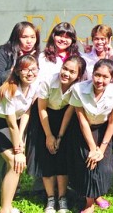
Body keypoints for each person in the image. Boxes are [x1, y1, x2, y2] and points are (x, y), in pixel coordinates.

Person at [68, 59, 113, 213]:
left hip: (105, 130)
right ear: (92, 74)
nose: (100, 80)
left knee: (104, 167)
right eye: (97, 75)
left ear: (112, 78)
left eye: (105, 77)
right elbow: (82, 121)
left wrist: (101, 149)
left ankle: (98, 195)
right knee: (89, 163)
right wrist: (93, 149)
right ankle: (89, 202)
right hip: (84, 129)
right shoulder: (79, 89)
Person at [35, 55, 86, 213]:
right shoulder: (48, 81)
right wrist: (49, 135)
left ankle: (62, 198)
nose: (66, 73)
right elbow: (42, 109)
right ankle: (51, 199)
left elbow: (69, 112)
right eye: (65, 68)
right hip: (44, 119)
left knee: (62, 158)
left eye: (72, 71)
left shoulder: (78, 87)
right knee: (47, 158)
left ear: (78, 75)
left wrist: (60, 136)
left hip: (65, 120)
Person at [0, 21, 40, 196]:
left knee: (15, 157)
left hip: (21, 112)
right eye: (24, 36)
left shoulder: (37, 55)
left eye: (32, 37)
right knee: (4, 157)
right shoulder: (3, 52)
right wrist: (17, 68)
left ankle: (13, 189)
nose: (29, 41)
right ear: (16, 37)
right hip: (2, 113)